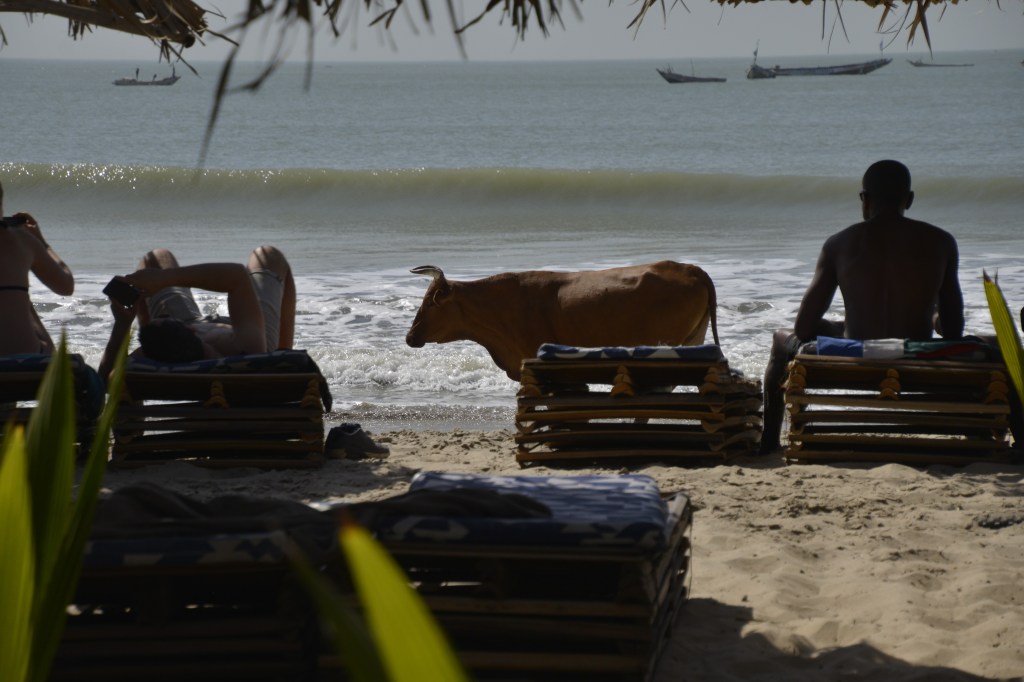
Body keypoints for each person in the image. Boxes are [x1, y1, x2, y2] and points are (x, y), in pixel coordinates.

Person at [760, 160, 965, 454]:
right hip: (916, 354)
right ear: (909, 199)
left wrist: (839, 327)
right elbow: (953, 331)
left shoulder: (839, 244)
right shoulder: (942, 242)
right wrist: (933, 315)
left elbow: (803, 329)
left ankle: (769, 443)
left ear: (864, 199)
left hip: (858, 355)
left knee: (781, 339)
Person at [98, 245, 296, 379]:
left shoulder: (150, 355)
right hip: (254, 332)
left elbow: (106, 380)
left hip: (179, 335)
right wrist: (164, 279)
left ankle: (135, 409)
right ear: (192, 330)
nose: (161, 316)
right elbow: (237, 276)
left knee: (156, 258)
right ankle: (282, 356)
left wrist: (122, 324)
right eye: (165, 318)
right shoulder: (247, 349)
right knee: (269, 255)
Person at [0, 181, 75, 355]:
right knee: (20, 297)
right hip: (27, 357)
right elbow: (66, 286)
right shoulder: (23, 239)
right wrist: (41, 242)